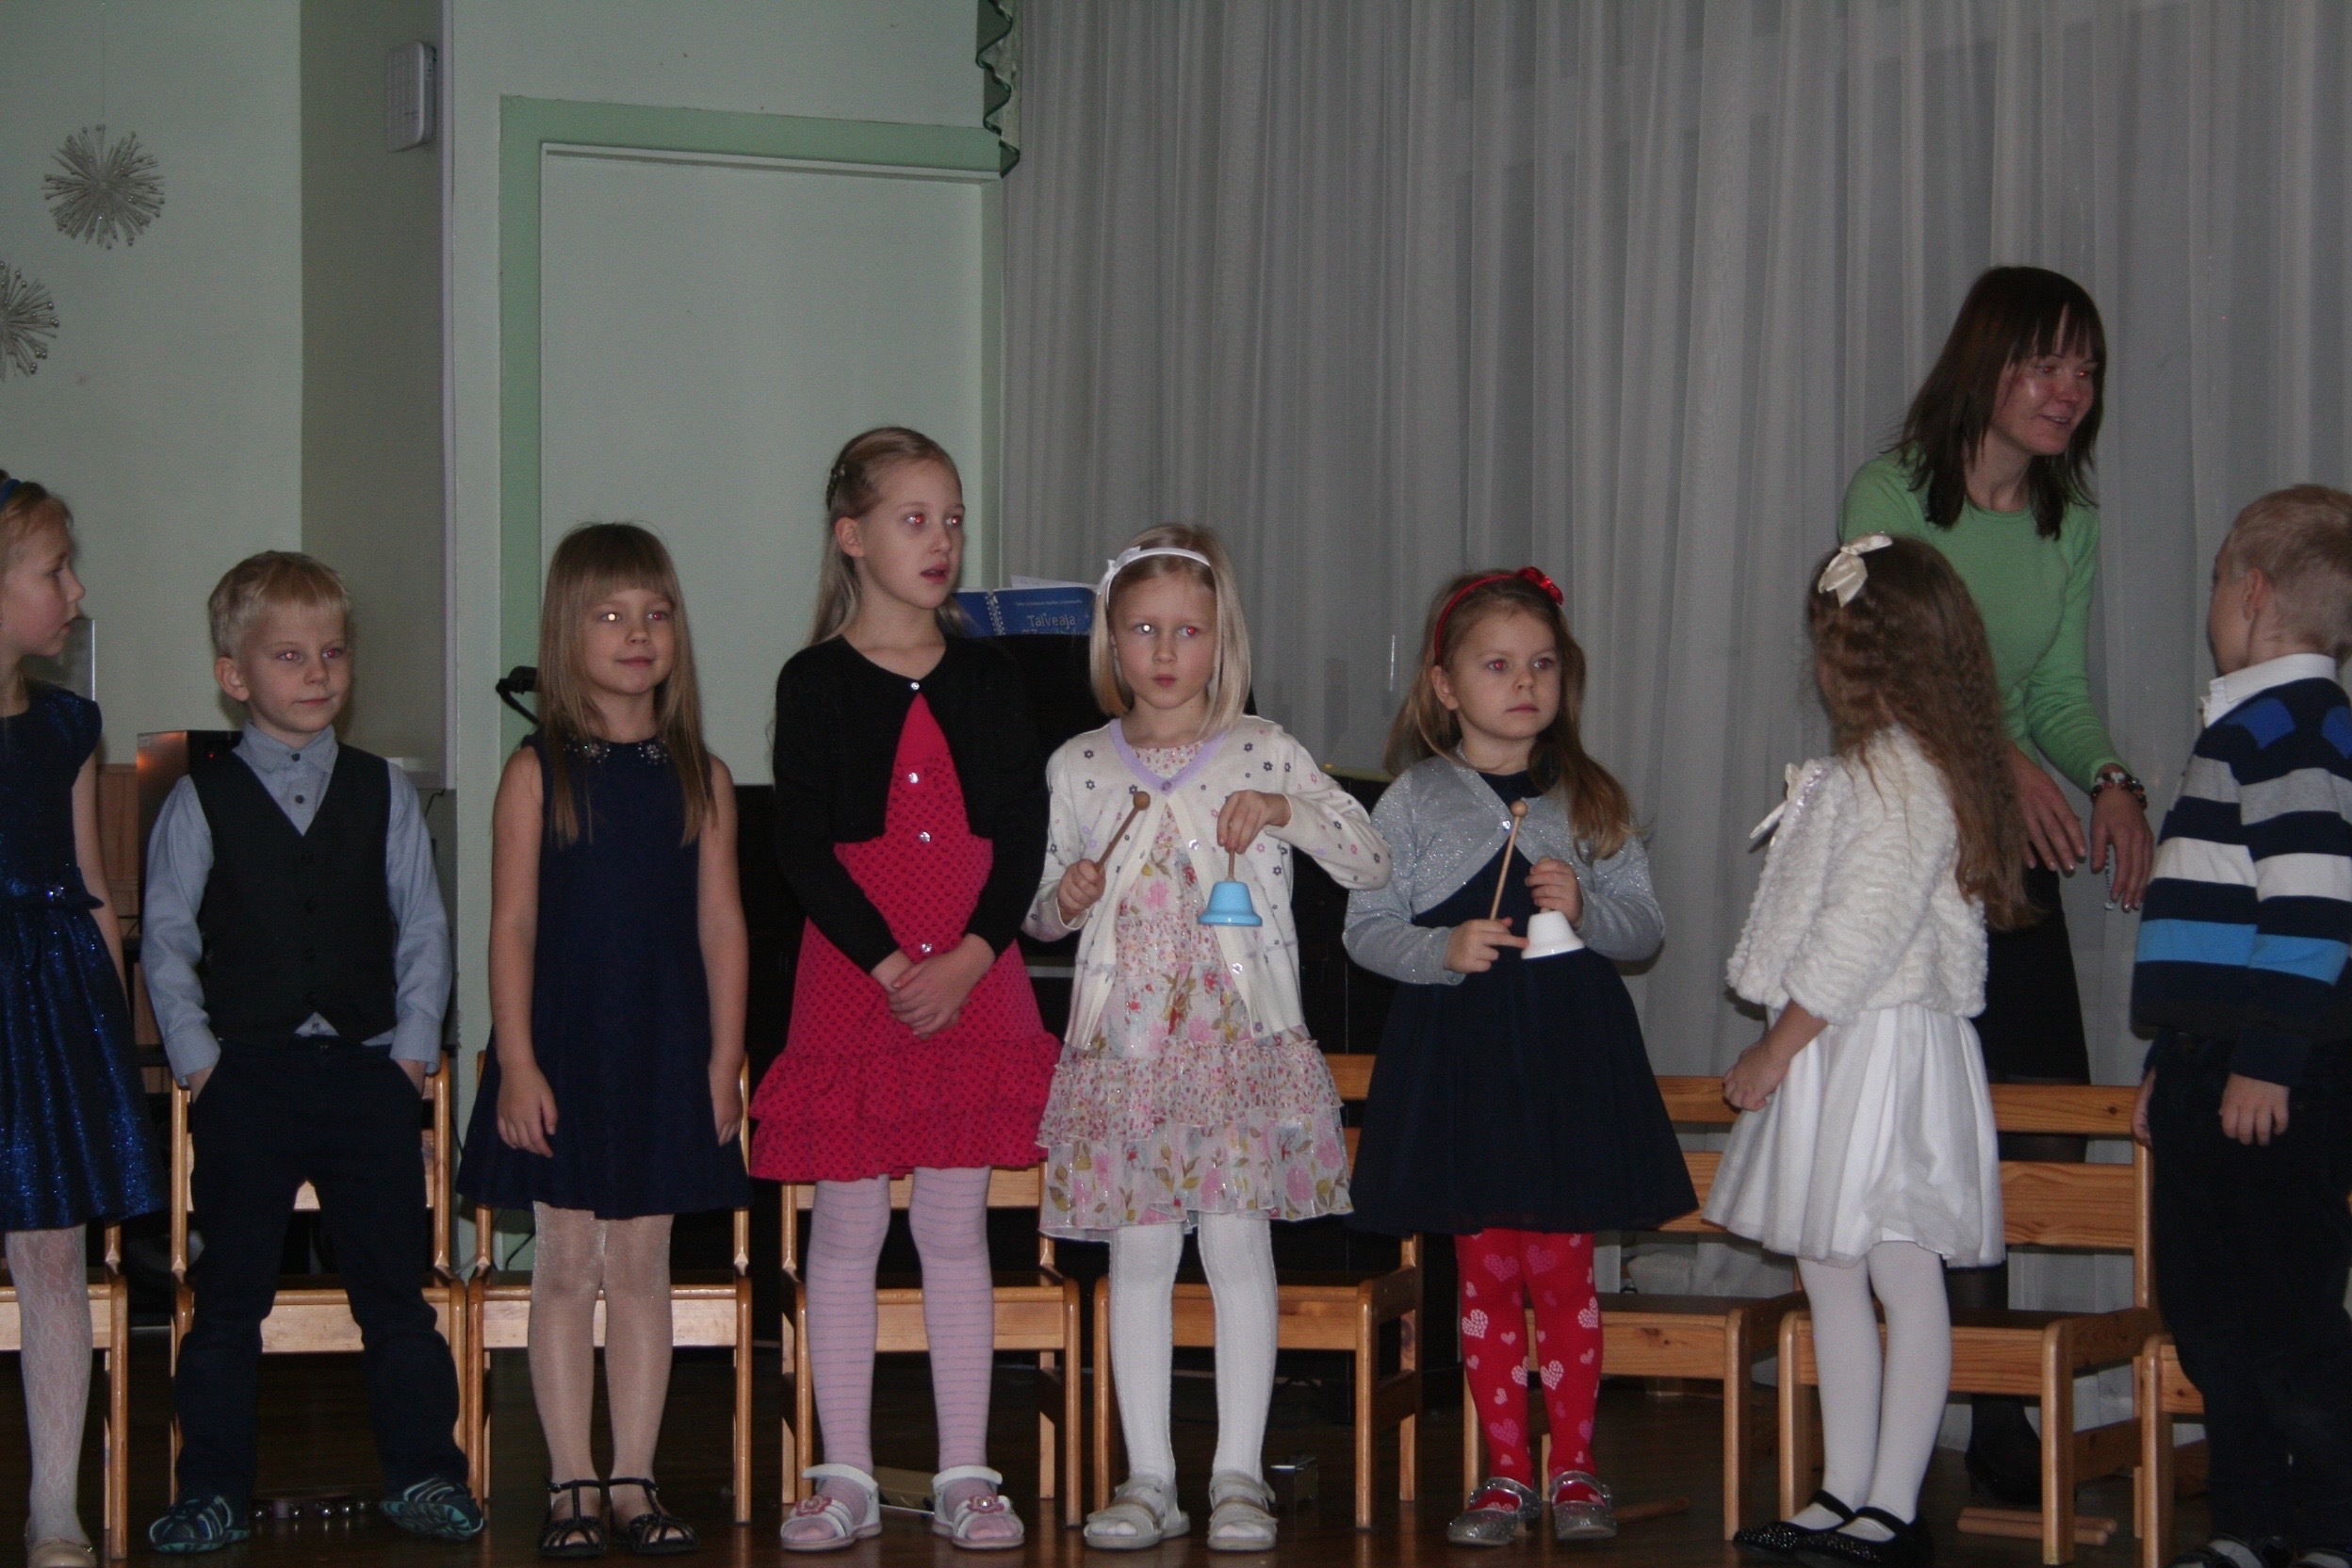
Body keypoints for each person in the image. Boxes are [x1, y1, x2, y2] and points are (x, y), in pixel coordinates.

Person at [1838, 265, 2154, 1502]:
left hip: (2006, 845)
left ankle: (1992, 1395)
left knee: (2027, 1125)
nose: (2071, 390)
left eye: (2088, 370)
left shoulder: (2069, 521)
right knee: (1927, 1133)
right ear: (1988, 362)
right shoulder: (1890, 491)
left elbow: (2056, 695)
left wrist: (2112, 778)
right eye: (2046, 362)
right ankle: (1970, 1413)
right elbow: (1889, 664)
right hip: (1914, 835)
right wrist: (1999, 760)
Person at [1030, 524, 1389, 1554]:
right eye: (1143, 629)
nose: (1164, 650)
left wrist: (1282, 807)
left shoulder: (1264, 746)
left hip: (1236, 1044)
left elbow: (1368, 859)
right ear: (1112, 640)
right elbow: (1039, 916)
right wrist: (1066, 897)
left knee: (1237, 1245)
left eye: (1187, 630)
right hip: (1130, 1054)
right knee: (1140, 1253)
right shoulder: (1080, 764)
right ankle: (1150, 1476)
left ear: (1220, 640)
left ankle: (1239, 1472)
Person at [749, 428, 1057, 1553]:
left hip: (977, 977)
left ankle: (968, 1470)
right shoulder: (815, 679)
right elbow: (800, 846)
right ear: (852, 535)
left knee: (953, 1221)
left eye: (953, 519)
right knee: (843, 1226)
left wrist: (971, 956)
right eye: (914, 518)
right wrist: (888, 966)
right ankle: (845, 1472)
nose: (941, 539)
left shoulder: (990, 676)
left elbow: (1020, 833)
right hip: (855, 981)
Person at [1343, 566, 1695, 1547]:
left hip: (1564, 1060)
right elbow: (1364, 927)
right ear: (1445, 685)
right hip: (1464, 1063)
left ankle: (1575, 1463)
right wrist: (1440, 949)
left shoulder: (1590, 795)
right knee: (1488, 1271)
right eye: (1496, 665)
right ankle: (1505, 1472)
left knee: (1564, 1271)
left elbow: (1645, 926)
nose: (1523, 682)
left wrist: (1586, 907)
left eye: (1541, 663)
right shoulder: (1414, 800)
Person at [142, 552, 480, 1552]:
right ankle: (211, 1488)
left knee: (397, 1293)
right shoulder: (200, 799)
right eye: (288, 655)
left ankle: (424, 1472)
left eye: (332, 651)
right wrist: (202, 1062)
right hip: (246, 1077)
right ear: (234, 675)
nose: (317, 671)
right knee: (228, 1297)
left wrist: (410, 1055)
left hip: (369, 1074)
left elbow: (423, 927)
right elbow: (165, 938)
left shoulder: (383, 790)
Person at [1709, 535, 2032, 1568]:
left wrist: (1776, 1050)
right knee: (1831, 1263)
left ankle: (1892, 1502)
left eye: (1828, 641)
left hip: (1878, 1045)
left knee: (1896, 1262)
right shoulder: (1876, 768)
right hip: (1838, 1041)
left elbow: (1862, 933)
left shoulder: (1904, 776)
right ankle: (1844, 1488)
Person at [457, 523, 749, 1558]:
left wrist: (724, 1060)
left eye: (655, 613)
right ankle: (570, 1479)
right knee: (567, 1259)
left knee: (643, 1262)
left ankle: (633, 1475)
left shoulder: (701, 776)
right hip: (567, 1045)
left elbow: (722, 924)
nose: (638, 633)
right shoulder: (538, 772)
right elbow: (512, 924)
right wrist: (517, 1059)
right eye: (612, 615)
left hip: (665, 1045)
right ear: (565, 634)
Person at [2132, 486, 2352, 1568]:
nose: (2213, 597)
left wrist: (2265, 1059)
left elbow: (2315, 911)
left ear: (2253, 591)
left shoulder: (2295, 729)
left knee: (2287, 1315)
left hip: (2274, 1073)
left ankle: (2330, 1526)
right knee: (2211, 1310)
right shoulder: (2245, 726)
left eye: (2219, 575)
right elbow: (2216, 928)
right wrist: (2170, 1057)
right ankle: (2249, 1522)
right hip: (2206, 1063)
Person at [0, 474, 165, 1568]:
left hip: (45, 1008)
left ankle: (55, 1505)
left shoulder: (67, 725)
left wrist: (107, 1045)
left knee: (55, 1255)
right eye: (54, 569)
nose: (76, 589)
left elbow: (94, 887)